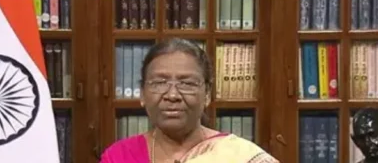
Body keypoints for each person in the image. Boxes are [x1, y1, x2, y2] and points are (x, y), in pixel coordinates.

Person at [101, 38, 278, 163]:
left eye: (186, 83)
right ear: (142, 94)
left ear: (207, 94)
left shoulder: (238, 155)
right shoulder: (119, 157)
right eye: (159, 83)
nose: (172, 95)